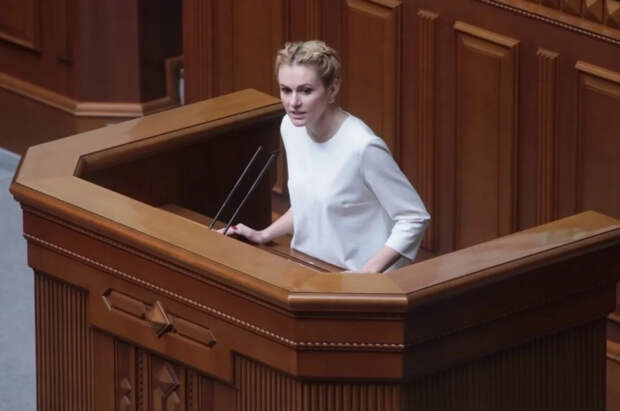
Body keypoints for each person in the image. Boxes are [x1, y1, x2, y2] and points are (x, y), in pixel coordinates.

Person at [220, 40, 430, 272]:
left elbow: (414, 217)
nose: (293, 103)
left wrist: (368, 273)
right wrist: (263, 234)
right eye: (286, 90)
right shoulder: (291, 127)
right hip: (307, 269)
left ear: (332, 90)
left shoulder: (363, 147)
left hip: (355, 282)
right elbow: (309, 205)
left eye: (306, 91)